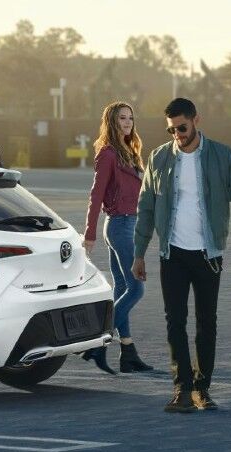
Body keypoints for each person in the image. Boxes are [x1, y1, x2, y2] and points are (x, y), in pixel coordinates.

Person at [131, 98, 231, 413]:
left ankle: (201, 389)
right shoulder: (159, 158)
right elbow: (146, 208)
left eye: (182, 127)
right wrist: (139, 252)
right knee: (174, 322)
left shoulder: (221, 156)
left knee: (207, 323)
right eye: (171, 130)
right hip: (173, 253)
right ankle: (181, 389)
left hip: (209, 254)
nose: (177, 135)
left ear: (197, 121)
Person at [80, 101, 154, 375]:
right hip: (120, 225)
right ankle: (97, 342)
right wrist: (89, 235)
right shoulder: (108, 154)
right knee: (136, 289)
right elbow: (96, 194)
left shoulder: (131, 152)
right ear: (111, 121)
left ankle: (128, 352)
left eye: (131, 118)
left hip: (130, 224)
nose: (127, 122)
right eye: (122, 118)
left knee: (122, 288)